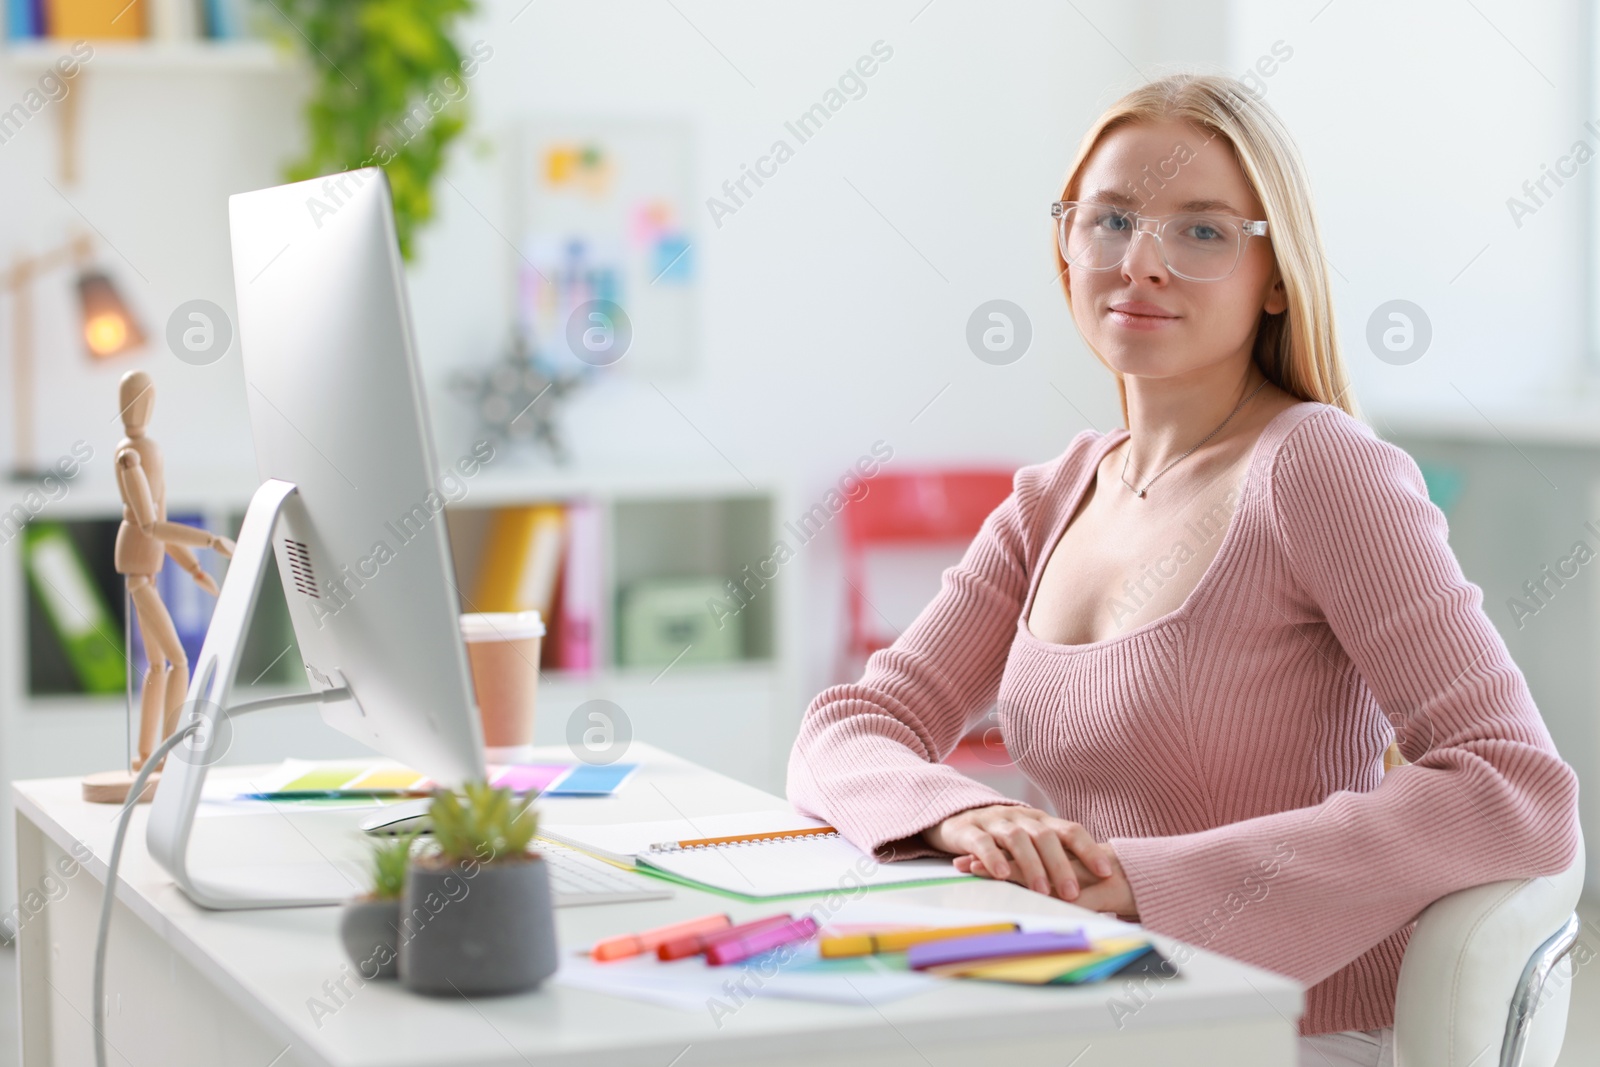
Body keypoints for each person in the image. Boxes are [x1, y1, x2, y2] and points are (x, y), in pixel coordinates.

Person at [786, 71, 1579, 1067]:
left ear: (1276, 275)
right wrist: (958, 810)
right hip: (1086, 1003)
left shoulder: (1319, 468)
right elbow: (848, 726)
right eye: (1110, 219)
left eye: (1201, 231)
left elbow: (1515, 789)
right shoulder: (1056, 493)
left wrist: (1138, 879)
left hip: (1281, 1030)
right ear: (1065, 248)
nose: (1141, 262)